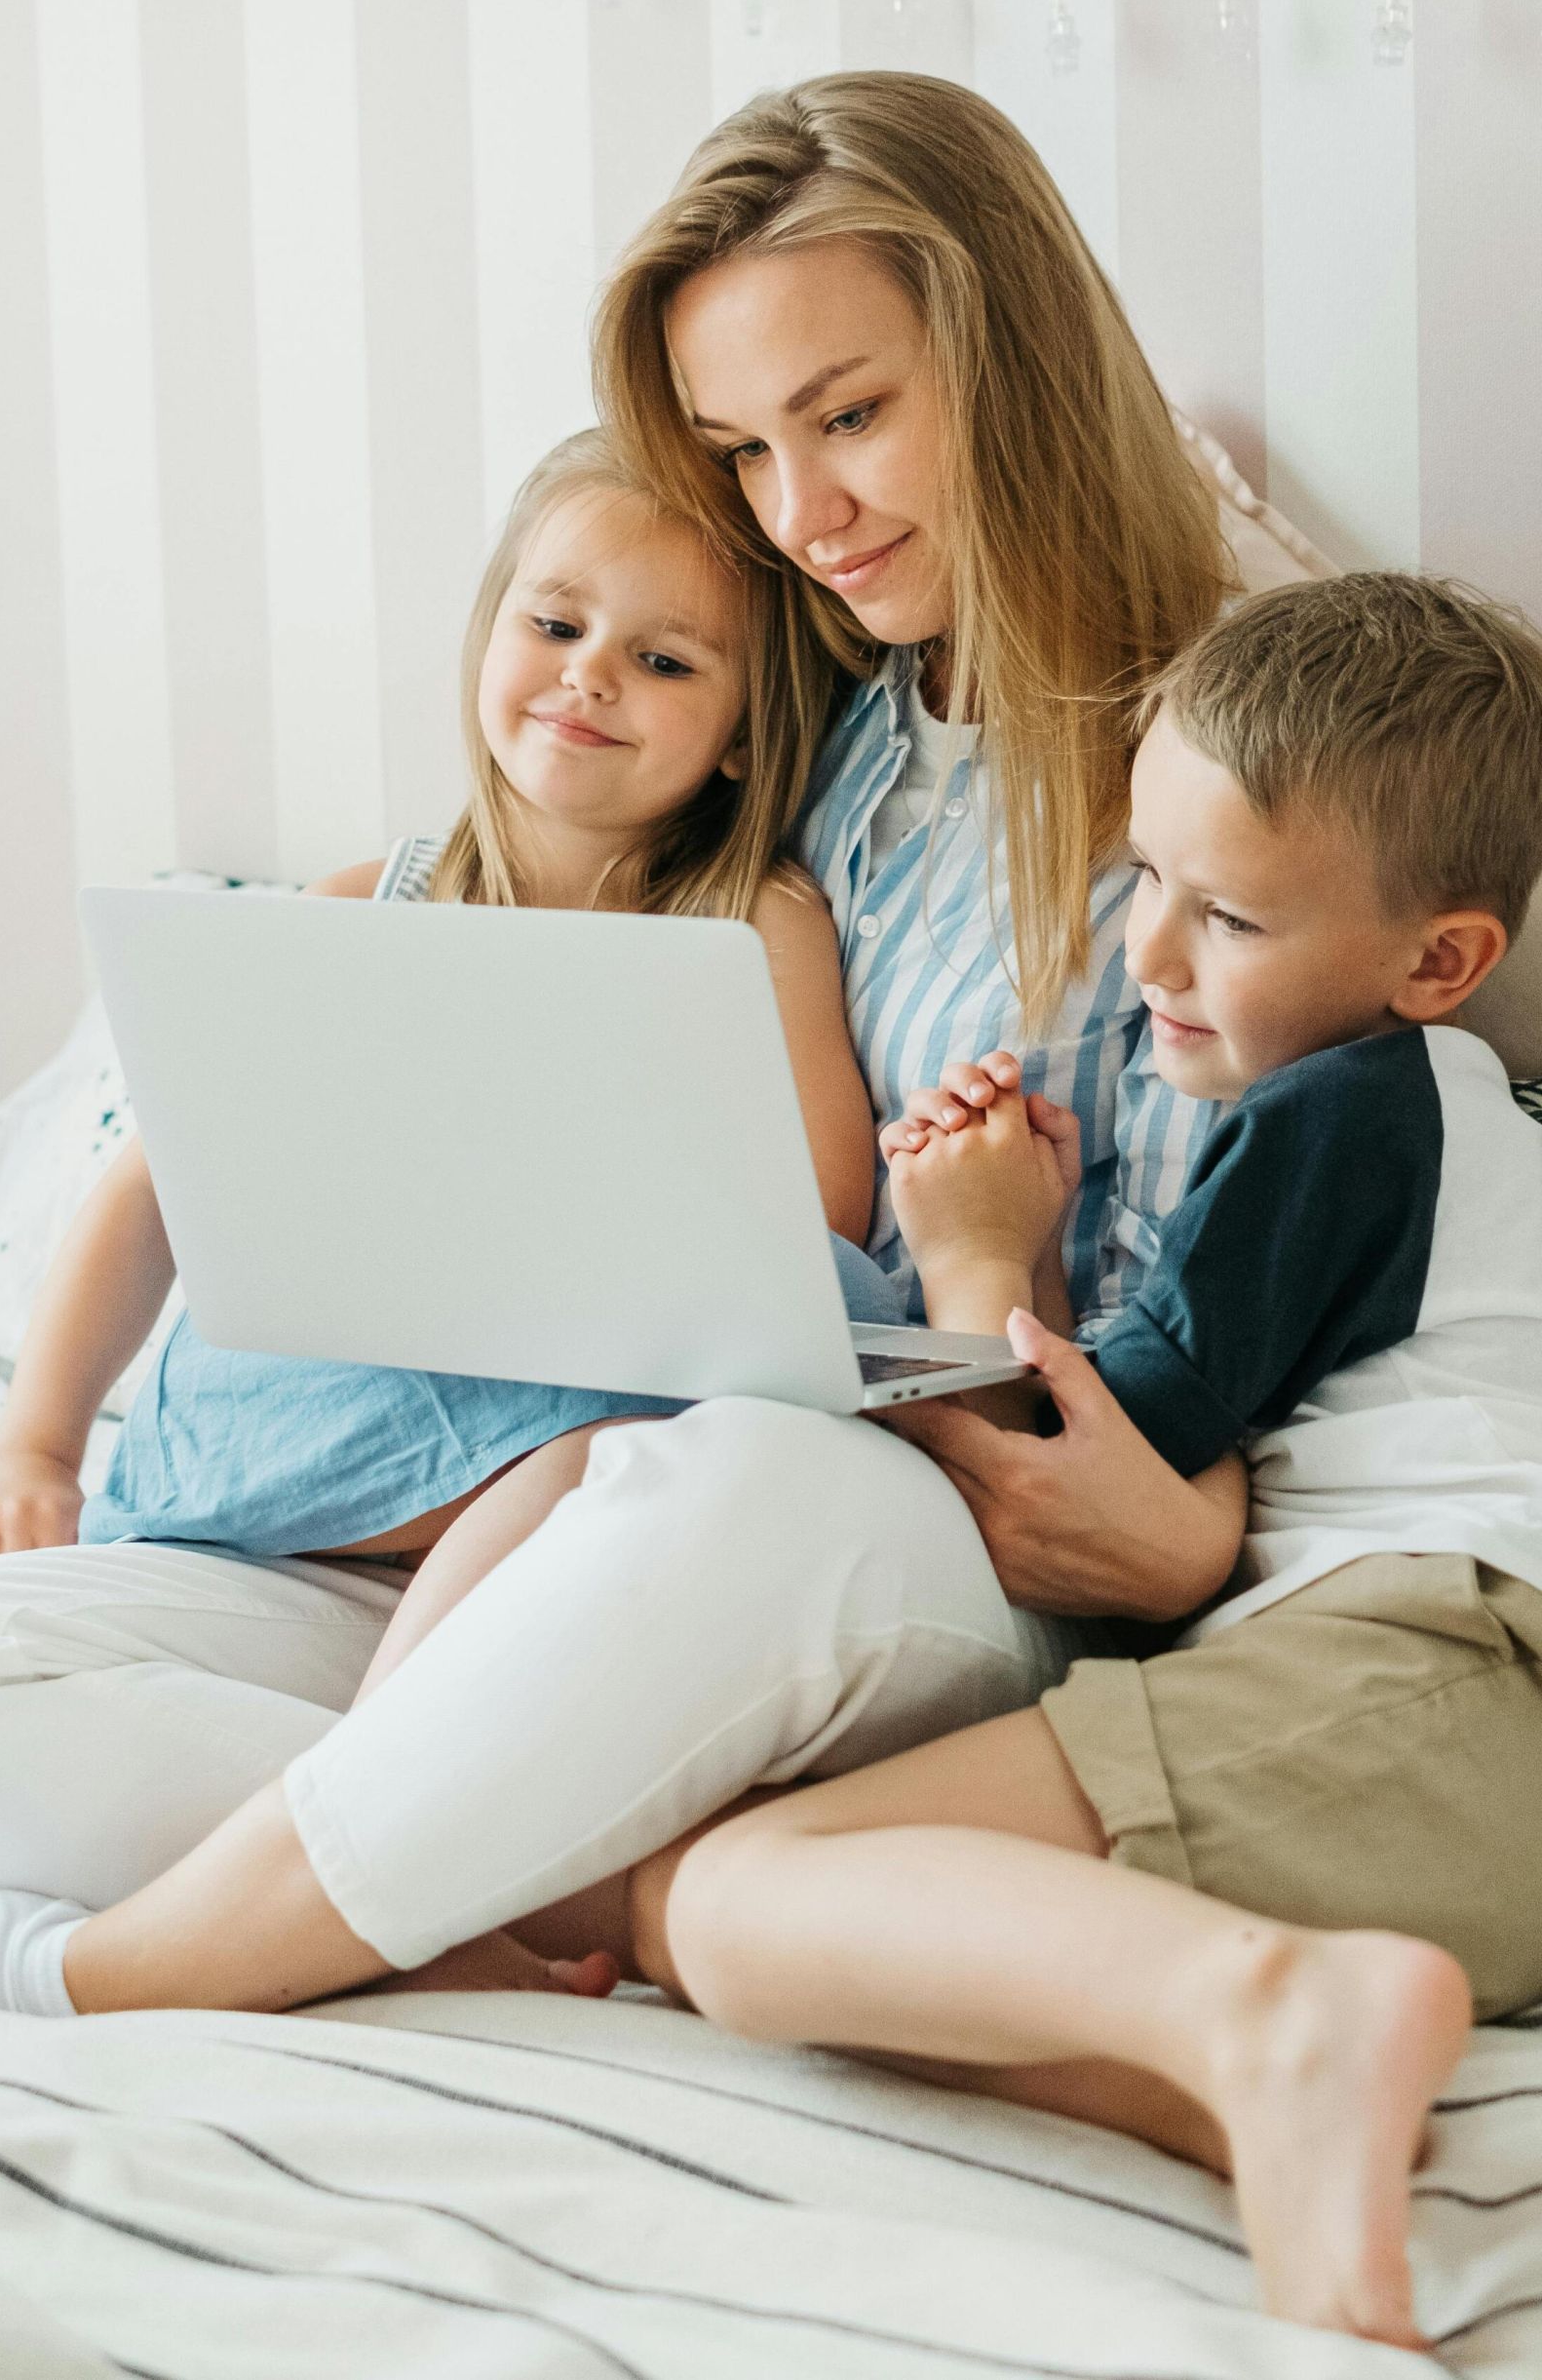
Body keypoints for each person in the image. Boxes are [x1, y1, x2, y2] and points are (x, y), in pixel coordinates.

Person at [0, 79, 1236, 1988]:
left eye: (850, 415)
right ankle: (601, 1887)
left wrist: (1189, 1537)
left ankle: (103, 1970)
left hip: (879, 1516)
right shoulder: (857, 724)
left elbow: (1246, 1273)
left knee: (725, 1470)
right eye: (745, 449)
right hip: (557, 1565)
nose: (803, 518)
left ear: (1012, 356)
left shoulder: (1219, 764)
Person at [636, 570, 1542, 2350]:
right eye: (1145, 879)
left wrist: (979, 1253)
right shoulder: (1442, 1138)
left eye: (1231, 918)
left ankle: (1282, 2025)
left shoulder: (1359, 1108)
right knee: (838, 1947)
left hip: (1446, 1674)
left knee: (728, 1895)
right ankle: (1289, 2085)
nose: (1145, 960)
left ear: (1435, 964)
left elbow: (1080, 1452)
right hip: (1443, 1731)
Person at [0, 424, 877, 1673]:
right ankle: (312, 1821)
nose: (591, 673)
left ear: (740, 736)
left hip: (551, 1501)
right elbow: (158, 1188)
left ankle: (361, 1802)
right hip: (278, 1521)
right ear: (491, 637)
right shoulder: (360, 910)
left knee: (726, 1378)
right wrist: (36, 1450)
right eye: (555, 627)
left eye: (662, 660)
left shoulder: (752, 923)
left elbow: (816, 1219)